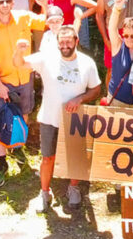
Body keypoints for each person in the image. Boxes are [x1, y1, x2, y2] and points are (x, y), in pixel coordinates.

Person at [19, 24, 101, 211]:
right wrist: (18, 50)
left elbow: (96, 89)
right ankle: (44, 192)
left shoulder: (87, 63)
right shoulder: (46, 58)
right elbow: (20, 63)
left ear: (76, 41)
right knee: (47, 158)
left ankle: (73, 188)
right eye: (62, 42)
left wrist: (80, 99)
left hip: (74, 120)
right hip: (49, 118)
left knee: (74, 156)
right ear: (57, 43)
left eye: (68, 41)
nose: (65, 45)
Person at [0, 0, 46, 187]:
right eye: (1, 2)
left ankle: (18, 147)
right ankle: (1, 163)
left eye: (8, 1)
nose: (5, 5)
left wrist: (44, 6)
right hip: (4, 81)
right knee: (2, 120)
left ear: (13, 2)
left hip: (25, 78)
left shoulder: (24, 17)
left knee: (24, 114)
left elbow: (43, 22)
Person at [104, 0, 133, 107]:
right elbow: (112, 28)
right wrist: (116, 9)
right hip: (117, 101)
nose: (129, 39)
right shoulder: (118, 46)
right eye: (126, 35)